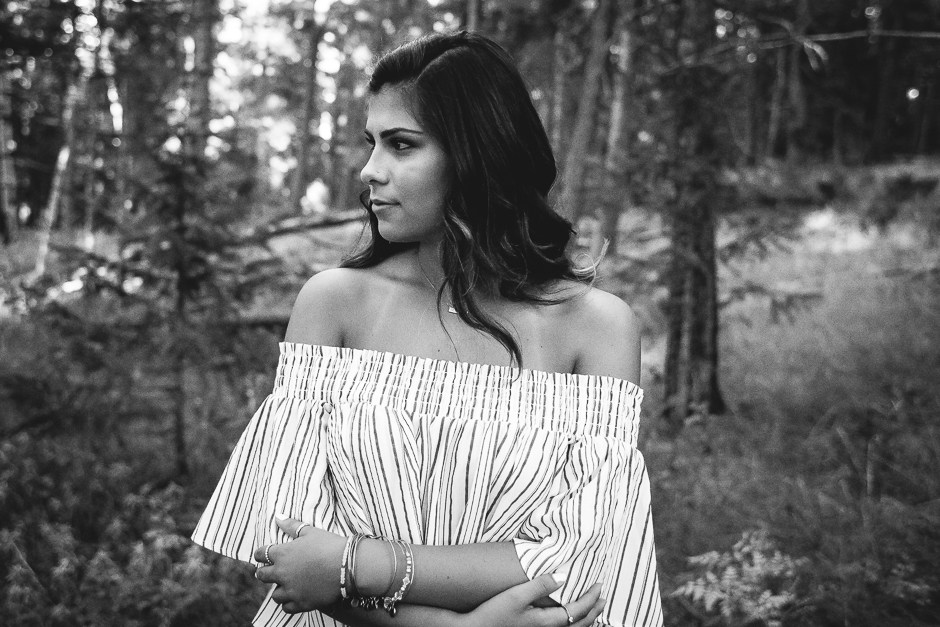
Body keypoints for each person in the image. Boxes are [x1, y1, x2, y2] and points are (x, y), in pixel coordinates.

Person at [191, 30, 662, 627]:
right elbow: (292, 552)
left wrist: (362, 564)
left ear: (479, 154)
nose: (369, 171)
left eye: (402, 145)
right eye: (372, 144)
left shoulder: (595, 328)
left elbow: (582, 555)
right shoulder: (336, 304)